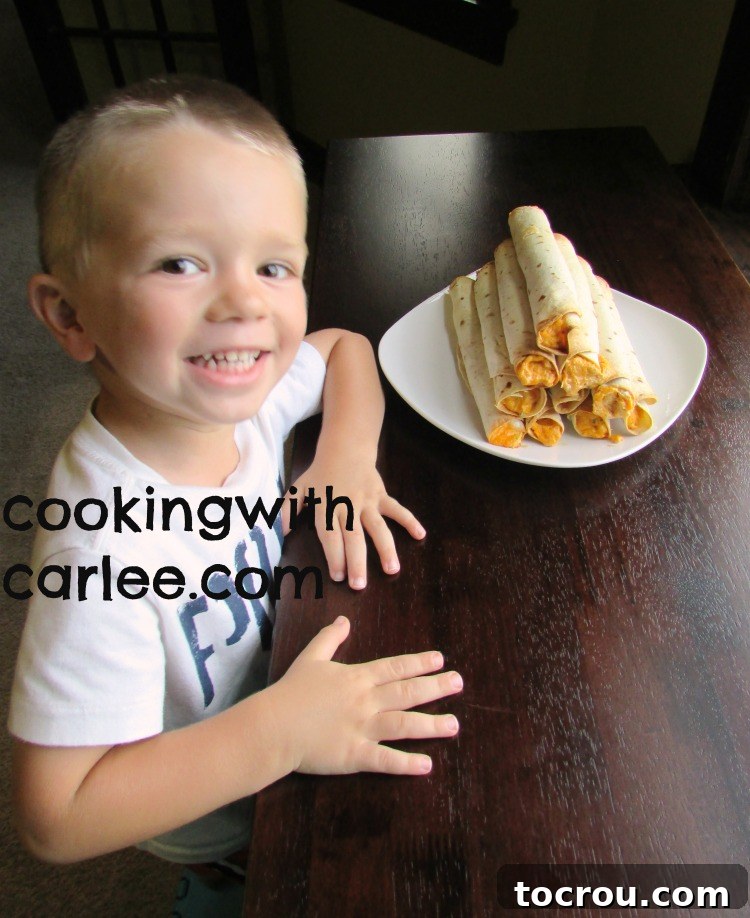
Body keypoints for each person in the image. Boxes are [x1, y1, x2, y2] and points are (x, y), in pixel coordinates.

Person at [8, 75, 462, 893]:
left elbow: (346, 348)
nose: (245, 302)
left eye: (275, 265)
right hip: (218, 814)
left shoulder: (231, 399)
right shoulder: (102, 543)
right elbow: (57, 816)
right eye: (181, 262)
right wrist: (280, 734)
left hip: (286, 685)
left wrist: (344, 460)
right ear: (71, 317)